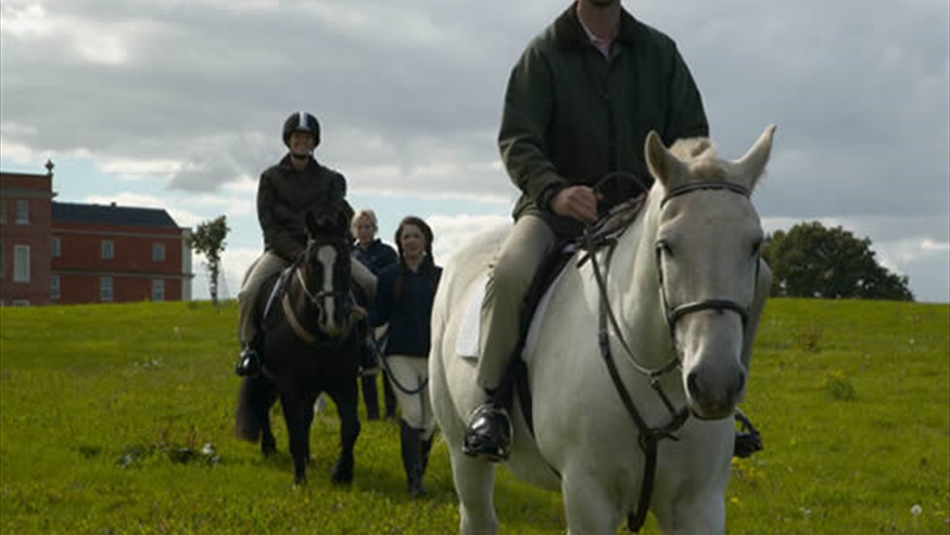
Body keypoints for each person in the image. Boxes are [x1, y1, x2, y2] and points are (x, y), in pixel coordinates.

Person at [463, 0, 709, 461]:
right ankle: (491, 404)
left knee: (733, 273)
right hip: (557, 212)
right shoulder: (543, 54)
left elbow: (692, 134)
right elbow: (518, 139)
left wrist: (659, 193)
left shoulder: (661, 53)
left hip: (644, 210)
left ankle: (721, 404)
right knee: (511, 273)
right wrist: (555, 191)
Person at [235, 111, 377, 377]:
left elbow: (336, 216)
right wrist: (300, 253)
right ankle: (249, 349)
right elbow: (269, 225)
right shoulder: (270, 178)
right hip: (281, 250)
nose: (302, 142)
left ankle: (364, 343)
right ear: (288, 141)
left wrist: (321, 250)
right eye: (297, 137)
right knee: (248, 294)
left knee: (369, 282)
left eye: (307, 137)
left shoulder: (330, 179)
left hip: (324, 252)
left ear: (314, 142)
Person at [371, 216, 442, 496]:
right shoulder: (387, 277)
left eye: (415, 236)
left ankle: (419, 472)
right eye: (405, 237)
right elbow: (380, 313)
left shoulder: (440, 277)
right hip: (399, 355)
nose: (410, 241)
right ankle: (414, 481)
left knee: (430, 422)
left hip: (433, 357)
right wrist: (363, 316)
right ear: (399, 243)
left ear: (426, 241)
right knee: (412, 414)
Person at [351, 209, 399, 420]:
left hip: (383, 314)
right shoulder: (351, 255)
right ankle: (372, 414)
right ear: (354, 230)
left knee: (387, 365)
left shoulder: (387, 253)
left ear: (375, 228)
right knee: (366, 363)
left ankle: (390, 411)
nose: (364, 231)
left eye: (367, 227)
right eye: (360, 227)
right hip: (358, 316)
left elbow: (392, 282)